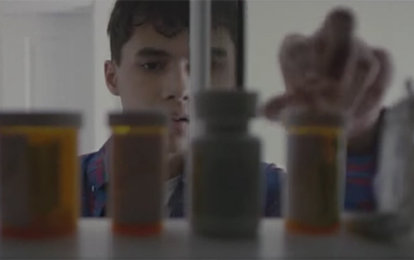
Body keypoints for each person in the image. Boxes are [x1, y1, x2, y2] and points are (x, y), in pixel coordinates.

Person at [80, 0, 393, 217]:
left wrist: (356, 138)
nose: (181, 89)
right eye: (151, 65)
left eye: (208, 64)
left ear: (235, 78)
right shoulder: (50, 189)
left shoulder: (270, 195)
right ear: (112, 77)